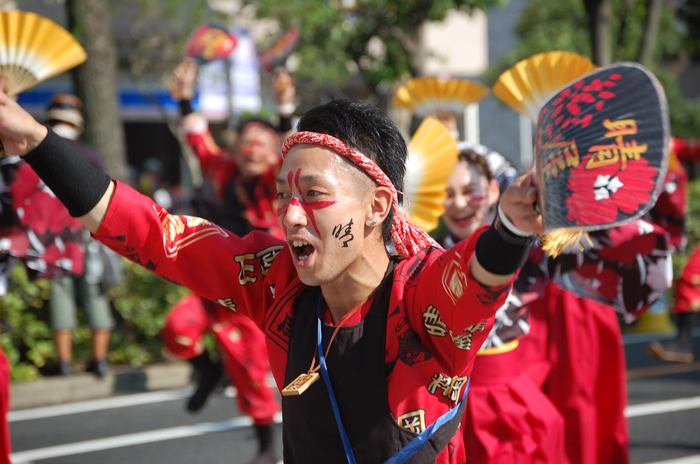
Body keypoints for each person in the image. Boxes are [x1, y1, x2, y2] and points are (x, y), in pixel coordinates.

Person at [3, 93, 543, 463]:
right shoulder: (274, 279)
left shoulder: (422, 293)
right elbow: (152, 234)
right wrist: (35, 143)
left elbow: (477, 278)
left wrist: (514, 226)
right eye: (284, 196)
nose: (290, 215)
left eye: (313, 194)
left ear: (378, 205)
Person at [439, 148, 671, 464]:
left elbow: (638, 262)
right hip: (443, 409)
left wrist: (566, 200)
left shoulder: (530, 252)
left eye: (469, 191)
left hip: (511, 404)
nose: (460, 203)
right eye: (447, 193)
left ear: (495, 190)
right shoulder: (425, 255)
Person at [44, 94, 115, 377]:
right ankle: (100, 359)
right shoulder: (90, 153)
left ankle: (63, 362)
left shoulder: (38, 151)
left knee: (60, 291)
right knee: (94, 291)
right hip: (87, 233)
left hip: (51, 234)